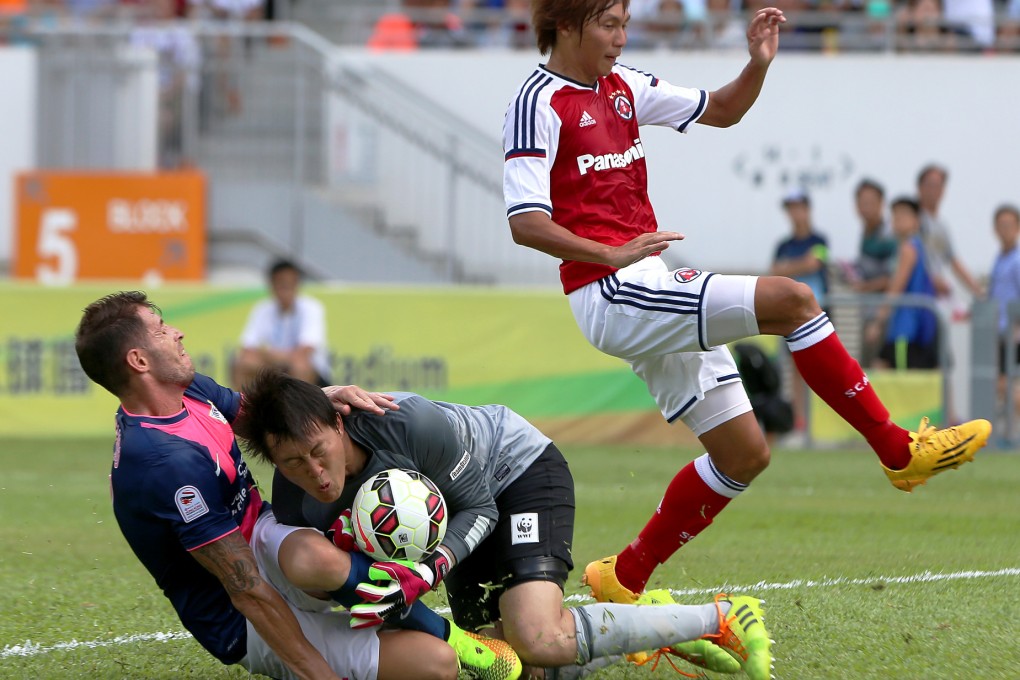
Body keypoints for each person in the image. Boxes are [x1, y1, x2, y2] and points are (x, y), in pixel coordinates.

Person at [501, 0, 991, 631]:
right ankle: (899, 451)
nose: (622, 39)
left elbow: (722, 109)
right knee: (795, 300)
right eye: (609, 25)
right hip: (611, 288)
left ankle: (623, 576)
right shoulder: (537, 101)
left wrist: (756, 64)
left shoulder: (624, 88)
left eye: (625, 24)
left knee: (744, 454)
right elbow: (525, 222)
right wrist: (607, 250)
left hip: (643, 278)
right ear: (566, 25)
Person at [233, 370, 774, 680]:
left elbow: (482, 509)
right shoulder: (299, 503)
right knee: (520, 667)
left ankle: (720, 615)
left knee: (537, 636)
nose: (316, 474)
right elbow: (356, 582)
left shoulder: (408, 425)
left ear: (338, 418)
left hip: (514, 473)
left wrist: (427, 569)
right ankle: (643, 622)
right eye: (294, 464)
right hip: (457, 518)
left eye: (319, 452)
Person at [73, 291, 460, 680]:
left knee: (317, 559)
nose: (177, 332)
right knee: (436, 664)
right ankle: (429, 640)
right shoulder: (165, 462)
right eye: (160, 330)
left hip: (261, 534)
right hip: (238, 616)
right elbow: (246, 590)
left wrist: (322, 400)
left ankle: (458, 639)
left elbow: (265, 423)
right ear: (139, 361)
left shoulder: (187, 392)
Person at [769, 188, 829, 437]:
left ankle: (822, 422)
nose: (795, 213)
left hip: (818, 313)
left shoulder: (820, 241)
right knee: (795, 368)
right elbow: (774, 271)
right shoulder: (783, 245)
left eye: (799, 207)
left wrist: (789, 268)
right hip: (789, 315)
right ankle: (800, 420)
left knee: (823, 369)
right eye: (790, 208)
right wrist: (798, 265)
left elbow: (815, 262)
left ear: (807, 209)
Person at [233, 258, 332, 390]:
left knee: (300, 365)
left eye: (290, 283)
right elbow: (247, 347)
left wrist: (269, 355)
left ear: (297, 283)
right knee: (245, 363)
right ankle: (243, 407)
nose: (285, 289)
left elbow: (306, 350)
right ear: (272, 284)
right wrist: (277, 358)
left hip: (310, 372)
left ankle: (298, 408)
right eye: (281, 283)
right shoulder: (262, 309)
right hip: (274, 366)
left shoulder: (311, 307)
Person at [868, 197, 941, 370]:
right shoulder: (913, 247)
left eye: (904, 215)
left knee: (894, 378)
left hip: (907, 329)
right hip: (909, 327)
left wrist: (877, 322)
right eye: (894, 215)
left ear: (916, 221)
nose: (897, 219)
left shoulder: (909, 248)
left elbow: (896, 288)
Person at [844, 178, 898, 367]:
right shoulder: (866, 232)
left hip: (883, 316)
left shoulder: (888, 235)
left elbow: (894, 278)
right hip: (867, 312)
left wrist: (864, 286)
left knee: (877, 369)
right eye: (862, 202)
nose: (865, 207)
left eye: (870, 202)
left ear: (881, 204)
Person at [915, 164, 984, 300]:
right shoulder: (913, 220)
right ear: (919, 188)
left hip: (935, 295)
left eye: (938, 185)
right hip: (916, 292)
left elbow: (953, 260)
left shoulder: (942, 226)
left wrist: (978, 290)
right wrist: (930, 280)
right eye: (930, 184)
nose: (933, 190)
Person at [988, 204, 1020, 412]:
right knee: (1002, 384)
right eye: (1001, 225)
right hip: (999, 331)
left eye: (1009, 224)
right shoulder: (999, 259)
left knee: (1011, 384)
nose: (1005, 229)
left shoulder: (1017, 260)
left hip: (1014, 332)